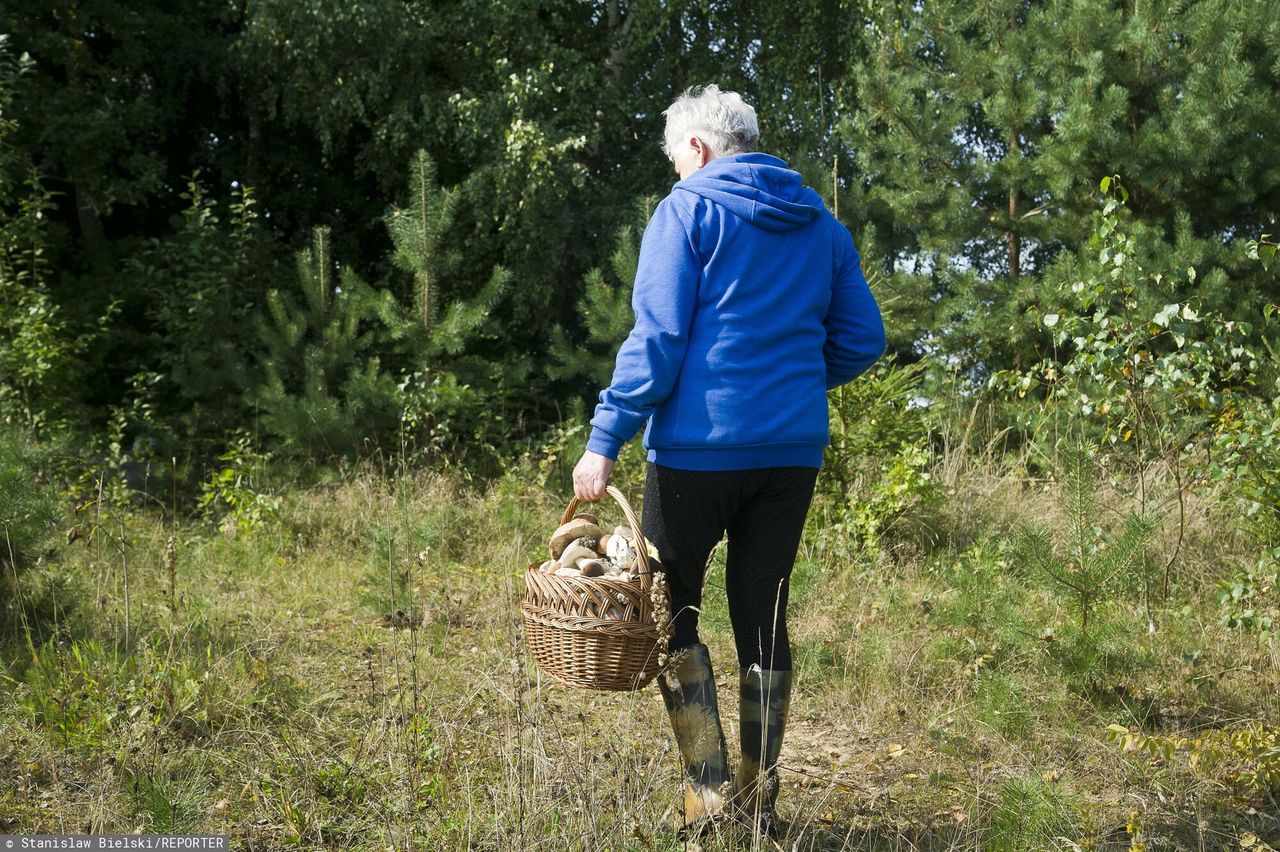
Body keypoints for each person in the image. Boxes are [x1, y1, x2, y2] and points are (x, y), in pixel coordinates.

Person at [572, 84, 885, 838]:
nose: (678, 175)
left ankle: (708, 793)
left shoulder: (688, 210)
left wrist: (605, 438)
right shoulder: (822, 226)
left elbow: (657, 340)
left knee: (671, 614)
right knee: (765, 612)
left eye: (678, 161)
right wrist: (794, 384)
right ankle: (761, 793)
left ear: (701, 149)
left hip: (696, 453)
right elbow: (863, 339)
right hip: (790, 454)